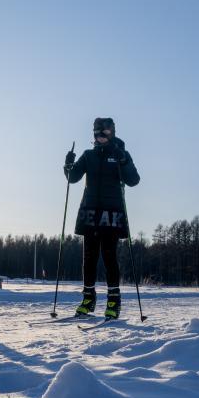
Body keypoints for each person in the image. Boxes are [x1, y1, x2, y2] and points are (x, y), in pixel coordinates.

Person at [64, 117, 140, 319]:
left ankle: (114, 301)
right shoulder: (89, 155)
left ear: (112, 133)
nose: (100, 136)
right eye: (97, 133)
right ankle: (88, 299)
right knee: (88, 258)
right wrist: (68, 164)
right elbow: (73, 178)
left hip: (111, 214)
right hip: (90, 212)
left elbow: (133, 180)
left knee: (109, 257)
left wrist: (123, 160)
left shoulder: (120, 154)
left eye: (104, 132)